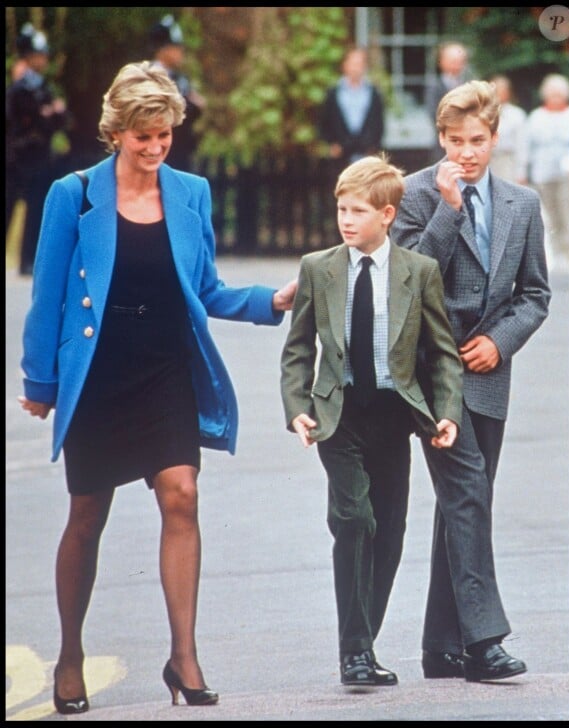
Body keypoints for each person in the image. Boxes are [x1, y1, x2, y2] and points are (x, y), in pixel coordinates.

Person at [18, 61, 296, 714]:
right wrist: (41, 380)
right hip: (100, 369)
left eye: (164, 134)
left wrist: (270, 300)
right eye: (143, 136)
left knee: (182, 494)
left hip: (165, 365)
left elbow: (206, 289)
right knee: (87, 517)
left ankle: (185, 657)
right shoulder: (75, 194)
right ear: (117, 131)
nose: (154, 147)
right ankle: (69, 654)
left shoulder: (191, 193)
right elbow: (49, 294)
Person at [280, 154, 463, 687]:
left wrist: (445, 412)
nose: (346, 219)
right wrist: (297, 406)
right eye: (341, 208)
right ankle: (355, 653)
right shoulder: (319, 267)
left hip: (394, 416)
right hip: (338, 415)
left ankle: (365, 641)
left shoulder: (418, 272)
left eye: (358, 210)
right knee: (354, 521)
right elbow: (298, 348)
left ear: (387, 214)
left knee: (390, 531)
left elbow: (442, 352)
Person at [390, 80, 551, 682]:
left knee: (464, 504)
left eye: (477, 141)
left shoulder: (522, 203)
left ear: (495, 138)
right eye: (454, 141)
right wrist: (448, 210)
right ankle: (485, 643)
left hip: (487, 372)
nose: (465, 153)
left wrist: (500, 341)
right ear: (439, 138)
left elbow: (535, 294)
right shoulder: (412, 194)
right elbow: (407, 279)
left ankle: (440, 646)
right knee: (468, 495)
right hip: (431, 371)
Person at [6, 23, 69, 274]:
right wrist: (48, 113)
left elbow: (61, 118)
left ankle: (27, 261)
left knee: (36, 209)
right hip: (17, 155)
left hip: (37, 157)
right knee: (9, 205)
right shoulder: (21, 86)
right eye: (39, 55)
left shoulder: (40, 85)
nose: (44, 60)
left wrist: (51, 113)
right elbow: (32, 116)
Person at [522, 73, 569, 264]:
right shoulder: (536, 117)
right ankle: (558, 255)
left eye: (559, 94)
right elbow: (526, 146)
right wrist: (523, 171)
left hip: (568, 174)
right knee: (550, 216)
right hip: (543, 173)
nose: (556, 99)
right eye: (552, 94)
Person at [149, 14, 207, 172]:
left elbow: (197, 105)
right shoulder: (150, 76)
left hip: (181, 149)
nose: (181, 52)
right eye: (176, 47)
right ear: (163, 49)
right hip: (158, 152)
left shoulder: (180, 78)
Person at [319, 46, 385, 168]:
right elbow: (324, 121)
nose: (356, 68)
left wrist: (372, 147)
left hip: (366, 155)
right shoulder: (333, 93)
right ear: (344, 65)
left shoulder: (373, 92)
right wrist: (332, 144)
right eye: (353, 63)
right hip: (340, 156)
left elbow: (378, 123)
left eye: (359, 64)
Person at [425, 41, 469, 163]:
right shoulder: (435, 86)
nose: (457, 65)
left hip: (468, 146)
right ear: (441, 62)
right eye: (453, 61)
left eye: (460, 61)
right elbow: (434, 115)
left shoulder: (470, 85)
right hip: (443, 147)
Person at [487, 75, 528, 184]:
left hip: (508, 161)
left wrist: (521, 172)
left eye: (502, 90)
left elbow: (522, 145)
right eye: (495, 90)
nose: (498, 94)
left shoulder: (517, 115)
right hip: (488, 161)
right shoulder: (482, 113)